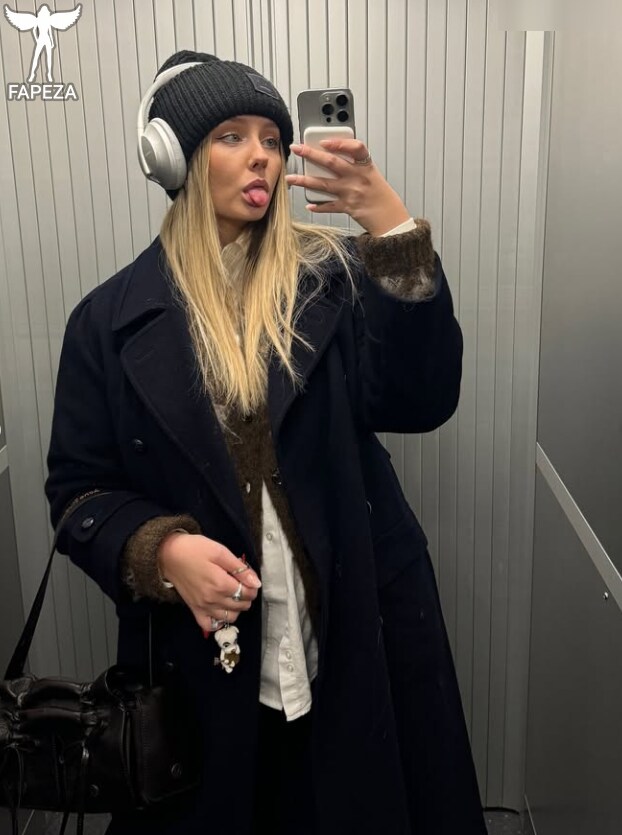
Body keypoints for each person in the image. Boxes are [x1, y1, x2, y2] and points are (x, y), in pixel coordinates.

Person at [45, 50, 487, 835]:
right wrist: (160, 551)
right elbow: (79, 489)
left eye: (273, 139)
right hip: (206, 662)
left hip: (351, 638)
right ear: (175, 158)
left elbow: (423, 400)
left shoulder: (336, 277)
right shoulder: (106, 321)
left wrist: (391, 228)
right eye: (231, 136)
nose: (263, 156)